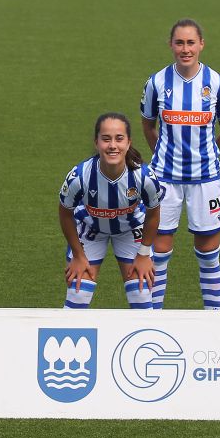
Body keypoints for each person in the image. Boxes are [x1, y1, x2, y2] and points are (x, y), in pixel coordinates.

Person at [140, 19, 220, 309]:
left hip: (205, 180)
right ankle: (153, 318)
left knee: (208, 253)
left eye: (191, 43)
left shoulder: (217, 83)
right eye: (180, 43)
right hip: (165, 179)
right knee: (159, 251)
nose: (185, 49)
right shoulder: (157, 82)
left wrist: (207, 155)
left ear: (201, 45)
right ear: (171, 45)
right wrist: (163, 155)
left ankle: (212, 317)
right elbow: (148, 126)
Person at [58, 113, 163, 309]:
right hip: (91, 228)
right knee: (78, 293)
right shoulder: (79, 176)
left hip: (130, 229)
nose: (112, 145)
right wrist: (78, 256)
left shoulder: (145, 177)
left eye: (119, 139)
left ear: (129, 143)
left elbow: (153, 214)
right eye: (106, 139)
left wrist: (143, 254)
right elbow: (65, 213)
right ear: (96, 143)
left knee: (141, 294)